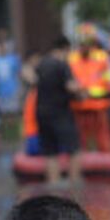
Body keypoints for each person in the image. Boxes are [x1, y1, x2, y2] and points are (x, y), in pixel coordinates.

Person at [34, 36, 83, 183]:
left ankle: (53, 186)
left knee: (50, 152)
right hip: (60, 112)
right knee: (73, 150)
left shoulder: (42, 63)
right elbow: (71, 86)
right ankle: (75, 185)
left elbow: (29, 77)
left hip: (42, 113)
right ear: (66, 48)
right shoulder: (62, 64)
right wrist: (82, 89)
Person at [67, 23, 110, 152]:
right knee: (80, 139)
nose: (84, 46)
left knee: (103, 137)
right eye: (82, 42)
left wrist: (97, 93)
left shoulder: (103, 57)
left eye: (87, 42)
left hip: (99, 104)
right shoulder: (71, 58)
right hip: (79, 105)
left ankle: (107, 163)